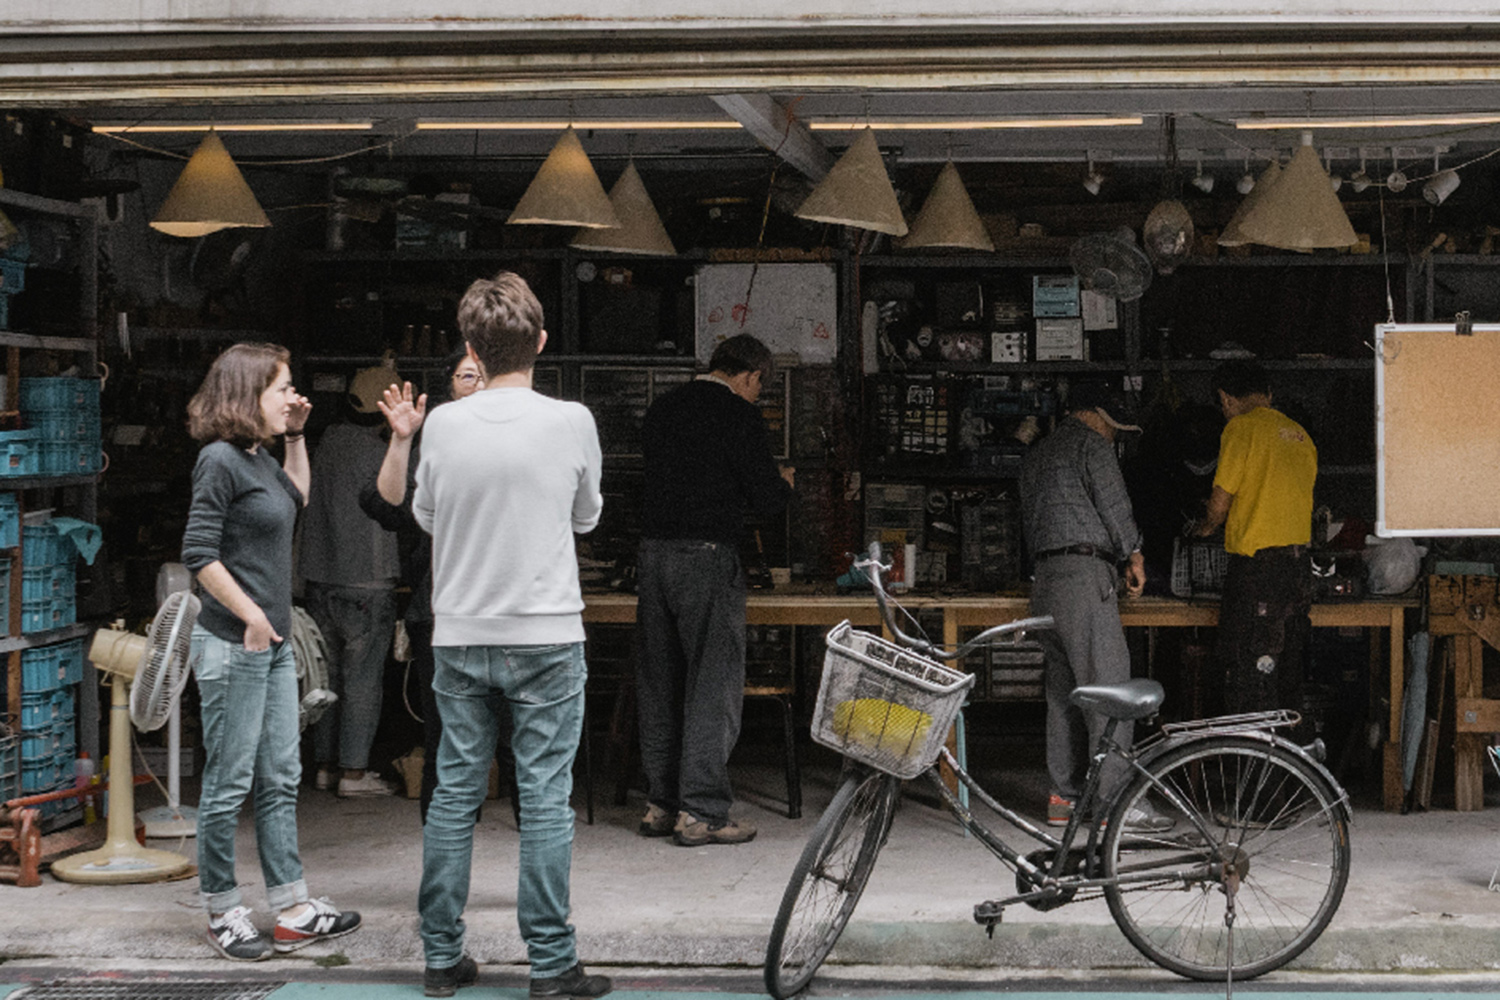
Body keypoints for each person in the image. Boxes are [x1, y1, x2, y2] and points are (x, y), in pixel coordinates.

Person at [411, 271, 610, 1000]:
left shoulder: (442, 424)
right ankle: (552, 964)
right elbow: (587, 515)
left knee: (454, 795)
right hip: (548, 633)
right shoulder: (572, 420)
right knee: (546, 798)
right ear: (542, 343)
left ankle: (441, 956)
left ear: (472, 347)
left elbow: (425, 515)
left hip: (460, 632)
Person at [181, 342, 362, 961]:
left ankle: (291, 908)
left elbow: (296, 499)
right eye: (283, 387)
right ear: (246, 393)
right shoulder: (218, 461)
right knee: (228, 784)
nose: (294, 396)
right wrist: (253, 614)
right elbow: (198, 555)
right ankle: (222, 909)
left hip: (273, 645)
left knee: (281, 777)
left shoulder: (260, 457)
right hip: (235, 645)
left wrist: (296, 437)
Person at [635, 333, 794, 847]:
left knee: (660, 681)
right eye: (759, 387)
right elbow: (767, 499)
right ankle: (701, 811)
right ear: (750, 376)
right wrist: (785, 482)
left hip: (652, 556)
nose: (757, 396)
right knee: (712, 683)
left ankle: (661, 804)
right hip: (705, 558)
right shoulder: (738, 415)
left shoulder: (662, 408)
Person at [1019, 382, 1168, 833]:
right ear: (1100, 419)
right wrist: (1135, 555)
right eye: (1114, 429)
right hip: (1085, 578)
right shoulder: (1094, 447)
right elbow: (1115, 508)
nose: (1114, 437)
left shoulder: (1037, 455)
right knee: (1108, 690)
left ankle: (1062, 798)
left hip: (1044, 581)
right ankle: (1113, 805)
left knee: (1063, 696)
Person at [359, 346, 486, 822]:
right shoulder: (432, 441)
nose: (476, 383)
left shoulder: (519, 436)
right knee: (446, 735)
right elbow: (384, 507)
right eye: (466, 375)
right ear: (449, 385)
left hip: (504, 608)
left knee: (517, 736)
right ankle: (447, 843)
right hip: (441, 609)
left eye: (484, 375)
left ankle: (533, 839)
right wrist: (401, 440)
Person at [1193, 360, 1317, 728]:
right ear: (1269, 394)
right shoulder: (1300, 435)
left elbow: (1219, 506)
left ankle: (1252, 773)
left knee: (1250, 676)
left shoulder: (1240, 429)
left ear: (1225, 399)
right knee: (1287, 675)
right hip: (1298, 570)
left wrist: (1204, 528)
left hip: (1259, 572)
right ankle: (1290, 771)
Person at [300, 364, 404, 798]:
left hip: (319, 576)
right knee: (363, 678)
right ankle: (355, 774)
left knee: (326, 677)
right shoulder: (383, 453)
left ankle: (324, 766)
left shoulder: (323, 444)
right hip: (368, 581)